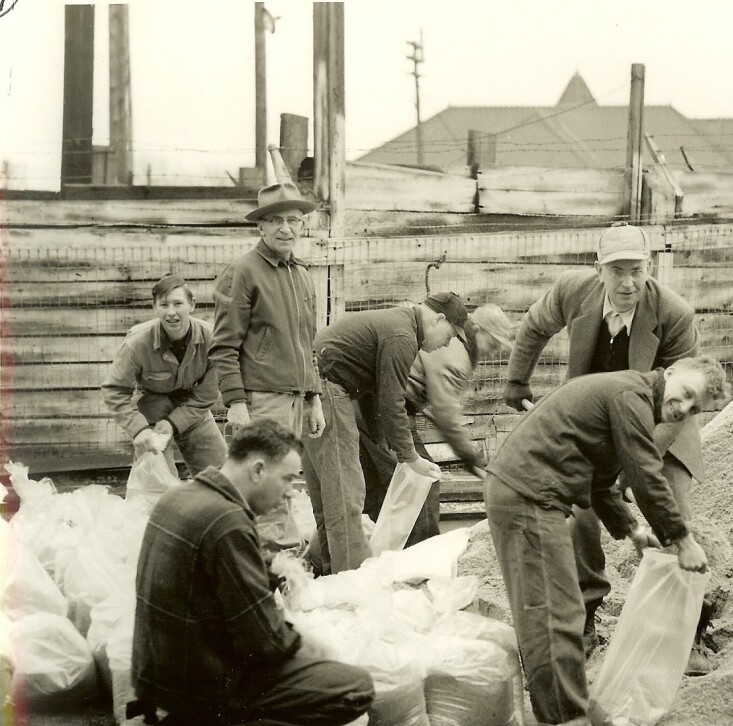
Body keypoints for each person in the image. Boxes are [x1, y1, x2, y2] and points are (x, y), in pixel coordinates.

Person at [484, 356, 731, 726]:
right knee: (558, 610)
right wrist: (682, 539)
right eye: (686, 394)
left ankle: (557, 718)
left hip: (524, 491)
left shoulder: (633, 398)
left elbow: (601, 480)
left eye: (695, 408)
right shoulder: (630, 397)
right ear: (669, 373)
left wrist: (632, 530)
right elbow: (645, 474)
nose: (684, 409)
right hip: (530, 494)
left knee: (546, 608)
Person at [503, 223, 716, 669]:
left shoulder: (675, 316)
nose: (628, 283)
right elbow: (534, 327)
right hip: (594, 426)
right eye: (617, 271)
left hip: (664, 424)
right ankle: (584, 620)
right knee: (578, 515)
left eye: (636, 271)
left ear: (648, 268)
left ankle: (686, 630)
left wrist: (631, 470)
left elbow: (678, 408)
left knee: (671, 513)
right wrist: (517, 381)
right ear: (597, 270)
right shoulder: (571, 292)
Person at [131, 421, 374, 726]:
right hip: (196, 680)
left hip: (157, 676)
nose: (290, 494)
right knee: (352, 687)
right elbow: (264, 643)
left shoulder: (183, 498)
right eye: (287, 480)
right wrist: (313, 648)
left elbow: (218, 572)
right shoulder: (227, 522)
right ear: (258, 470)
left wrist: (269, 569)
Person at [302, 294, 465, 574]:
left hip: (311, 389)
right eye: (450, 335)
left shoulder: (397, 324)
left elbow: (373, 394)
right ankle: (351, 582)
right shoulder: (403, 336)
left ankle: (329, 572)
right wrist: (410, 457)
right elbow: (392, 403)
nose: (447, 344)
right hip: (327, 390)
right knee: (345, 494)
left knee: (328, 494)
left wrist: (382, 440)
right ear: (439, 319)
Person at [210, 180, 326, 549]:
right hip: (260, 401)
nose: (285, 228)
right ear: (260, 226)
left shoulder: (302, 274)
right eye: (275, 220)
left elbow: (308, 342)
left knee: (284, 483)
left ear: (302, 226)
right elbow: (224, 345)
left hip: (295, 400)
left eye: (293, 220)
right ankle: (270, 568)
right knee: (263, 485)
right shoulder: (243, 271)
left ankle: (276, 566)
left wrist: (314, 397)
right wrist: (237, 404)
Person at [359, 303, 514, 546]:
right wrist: (469, 456)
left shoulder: (455, 348)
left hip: (372, 404)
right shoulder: (455, 353)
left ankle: (375, 557)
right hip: (385, 411)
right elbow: (445, 412)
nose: (494, 353)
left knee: (380, 486)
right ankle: (421, 557)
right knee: (423, 481)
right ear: (476, 329)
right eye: (493, 343)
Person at [101, 275, 228, 475]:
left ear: (191, 305)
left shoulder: (212, 339)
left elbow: (207, 394)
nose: (171, 313)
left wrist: (173, 423)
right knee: (157, 480)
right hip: (151, 407)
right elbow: (114, 390)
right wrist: (138, 428)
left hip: (192, 407)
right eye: (164, 305)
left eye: (178, 303)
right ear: (154, 308)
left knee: (221, 475)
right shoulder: (137, 343)